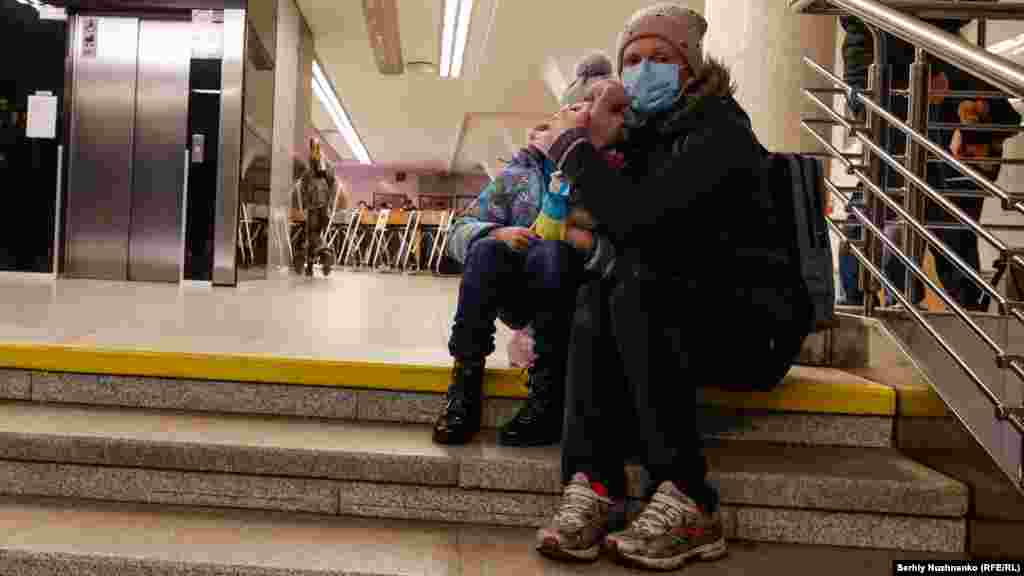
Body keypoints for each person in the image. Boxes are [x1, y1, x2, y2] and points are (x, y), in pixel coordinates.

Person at [530, 4, 811, 570]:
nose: (643, 70)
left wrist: (579, 153)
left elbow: (640, 223)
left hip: (753, 327)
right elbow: (597, 226)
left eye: (661, 58)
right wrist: (605, 141)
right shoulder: (648, 137)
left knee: (636, 280)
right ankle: (593, 483)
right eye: (631, 60)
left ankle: (688, 497)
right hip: (673, 313)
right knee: (598, 290)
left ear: (691, 68)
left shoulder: (720, 132)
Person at [432, 54, 619, 447]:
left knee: (551, 253)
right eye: (573, 108)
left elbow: (628, 245)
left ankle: (547, 394)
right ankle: (465, 381)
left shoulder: (611, 171)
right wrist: (497, 232)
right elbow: (457, 233)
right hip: (520, 294)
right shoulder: (519, 174)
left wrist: (577, 239)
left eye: (592, 109)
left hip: (578, 298)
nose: (581, 115)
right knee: (485, 251)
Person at [840, 14, 1020, 310]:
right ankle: (880, 291)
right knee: (896, 184)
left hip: (916, 62)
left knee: (913, 188)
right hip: (889, 65)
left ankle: (928, 296)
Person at [293, 138, 336, 276]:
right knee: (314, 236)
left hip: (314, 207)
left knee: (312, 235)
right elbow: (332, 184)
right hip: (324, 208)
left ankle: (325, 253)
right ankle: (310, 267)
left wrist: (303, 205)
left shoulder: (309, 170)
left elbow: (302, 189)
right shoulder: (328, 168)